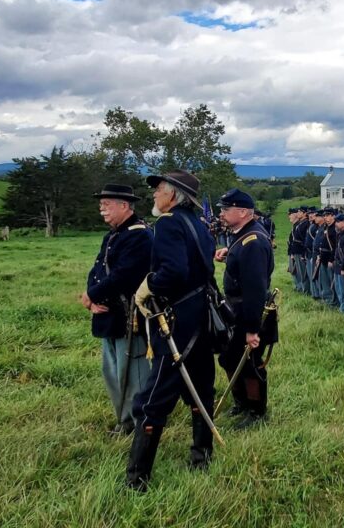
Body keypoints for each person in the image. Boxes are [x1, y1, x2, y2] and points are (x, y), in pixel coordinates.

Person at [126, 169, 215, 491]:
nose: (154, 194)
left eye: (159, 189)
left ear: (174, 195)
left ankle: (137, 478)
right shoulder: (199, 224)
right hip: (200, 318)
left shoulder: (168, 223)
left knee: (153, 399)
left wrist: (148, 286)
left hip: (175, 323)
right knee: (201, 390)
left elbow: (173, 272)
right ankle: (202, 456)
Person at [82, 183, 153, 435]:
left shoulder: (139, 234)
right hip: (108, 315)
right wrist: (91, 297)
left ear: (124, 206)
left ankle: (140, 425)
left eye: (107, 204)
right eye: (101, 204)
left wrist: (93, 294)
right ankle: (124, 421)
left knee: (132, 374)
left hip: (128, 316)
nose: (102, 208)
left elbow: (125, 275)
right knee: (111, 371)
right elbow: (98, 268)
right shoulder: (114, 234)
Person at [214, 189, 275, 429]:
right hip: (234, 308)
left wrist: (252, 329)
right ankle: (240, 401)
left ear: (242, 212)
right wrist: (228, 254)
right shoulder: (241, 235)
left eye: (226, 209)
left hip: (246, 310)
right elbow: (240, 258)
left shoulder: (253, 241)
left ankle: (256, 411)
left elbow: (254, 289)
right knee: (230, 358)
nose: (221, 213)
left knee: (249, 363)